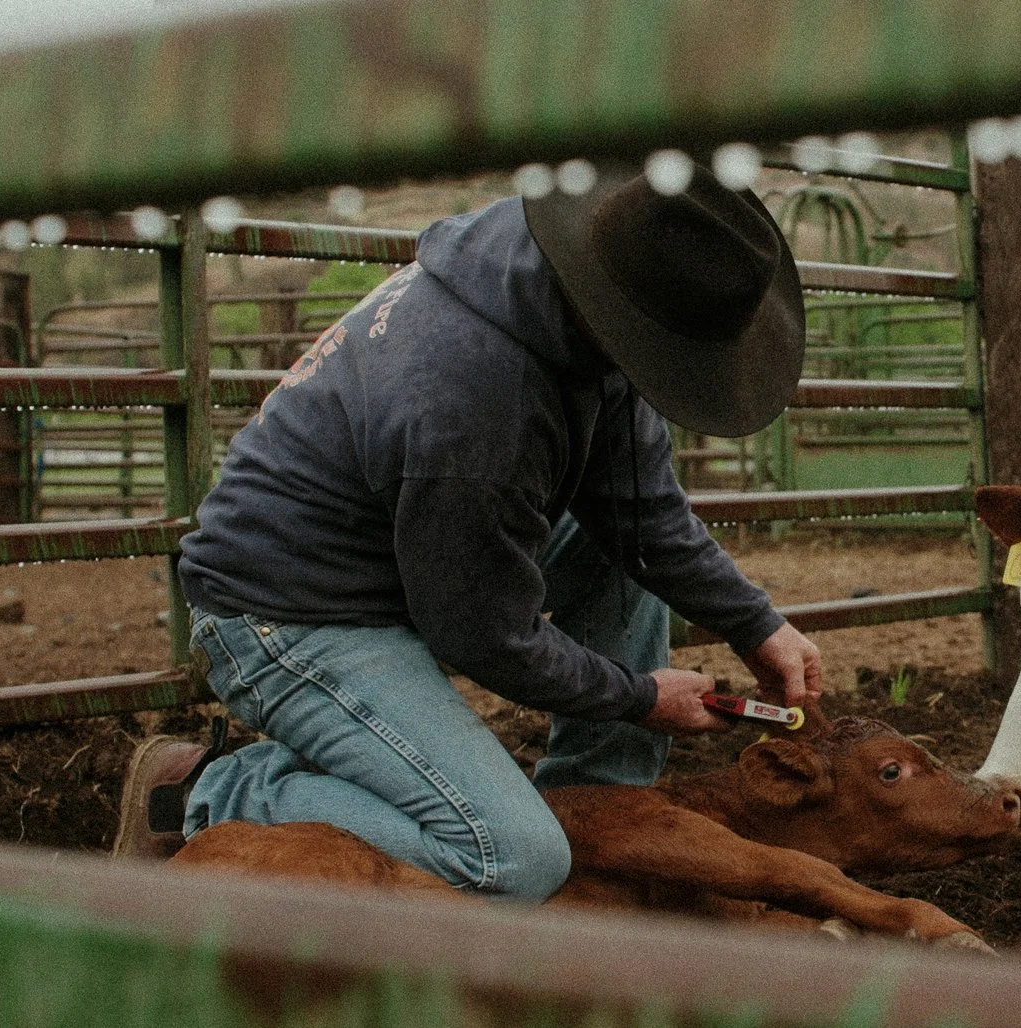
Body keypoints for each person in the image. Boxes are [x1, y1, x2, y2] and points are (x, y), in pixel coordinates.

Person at [109, 164, 823, 904]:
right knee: (506, 858)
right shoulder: (478, 401)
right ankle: (205, 790)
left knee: (621, 564)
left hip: (409, 550)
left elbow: (641, 516)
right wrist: (637, 696)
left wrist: (755, 623)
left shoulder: (576, 284)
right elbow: (481, 629)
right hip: (291, 609)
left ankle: (600, 817)